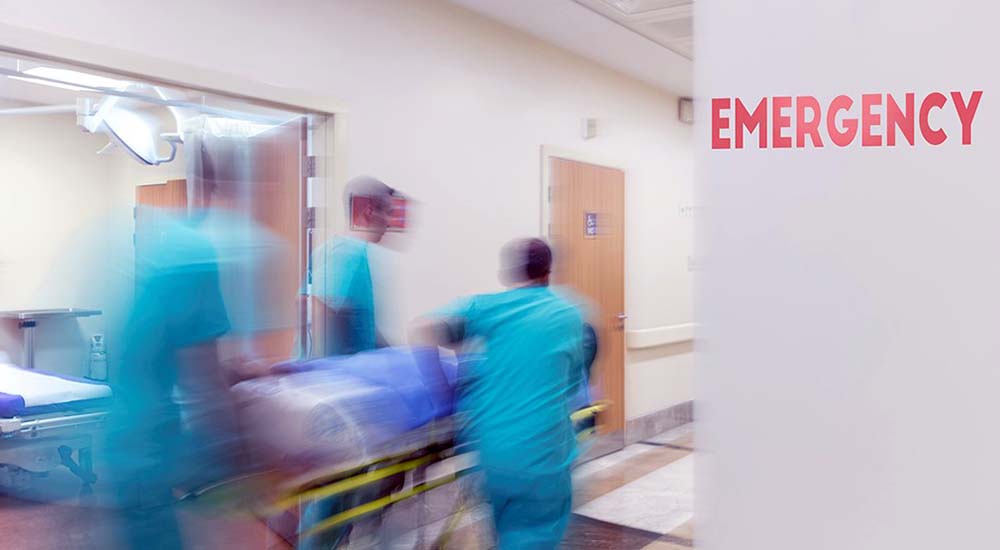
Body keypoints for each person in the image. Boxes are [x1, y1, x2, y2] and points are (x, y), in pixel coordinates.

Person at [413, 238, 586, 549]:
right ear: (548, 272)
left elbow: (422, 328)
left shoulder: (485, 308)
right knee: (534, 535)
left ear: (508, 274)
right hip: (542, 457)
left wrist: (443, 393)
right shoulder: (568, 315)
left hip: (492, 456)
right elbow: (572, 386)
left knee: (506, 531)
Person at [297, 175, 399, 549]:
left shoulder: (333, 252)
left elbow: (361, 327)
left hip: (328, 394)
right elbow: (322, 312)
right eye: (387, 213)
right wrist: (331, 389)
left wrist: (401, 357)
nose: (390, 222)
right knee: (331, 501)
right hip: (334, 401)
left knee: (336, 497)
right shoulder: (348, 254)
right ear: (368, 209)